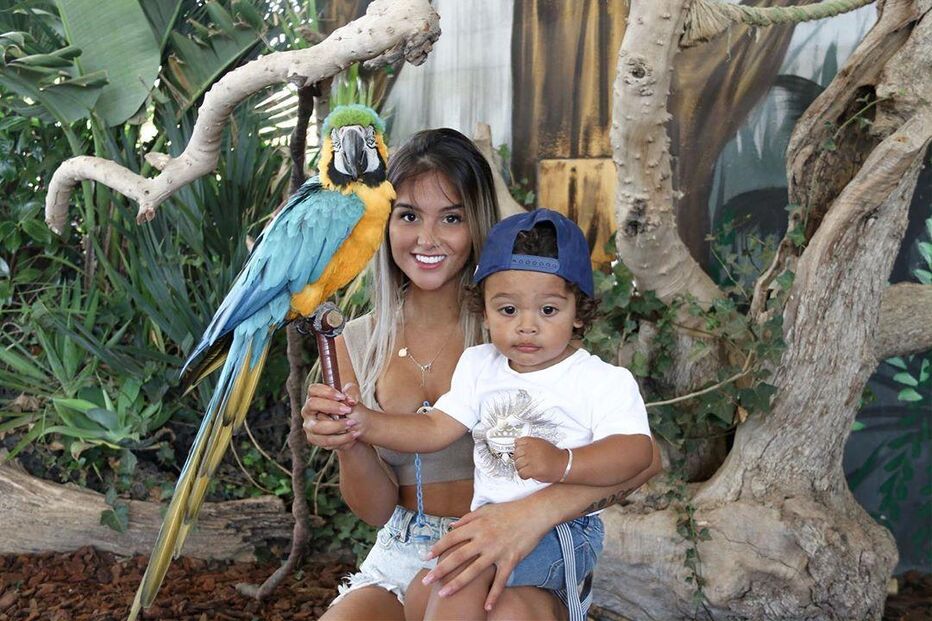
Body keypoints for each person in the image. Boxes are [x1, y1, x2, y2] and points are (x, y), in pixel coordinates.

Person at [302, 129, 662, 621]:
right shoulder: (355, 341)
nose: (427, 239)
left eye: (451, 218)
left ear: (477, 225)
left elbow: (640, 461)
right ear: (384, 222)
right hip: (411, 548)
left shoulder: (518, 327)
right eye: (408, 216)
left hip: (527, 538)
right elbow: (377, 509)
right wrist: (349, 439)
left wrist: (530, 515)